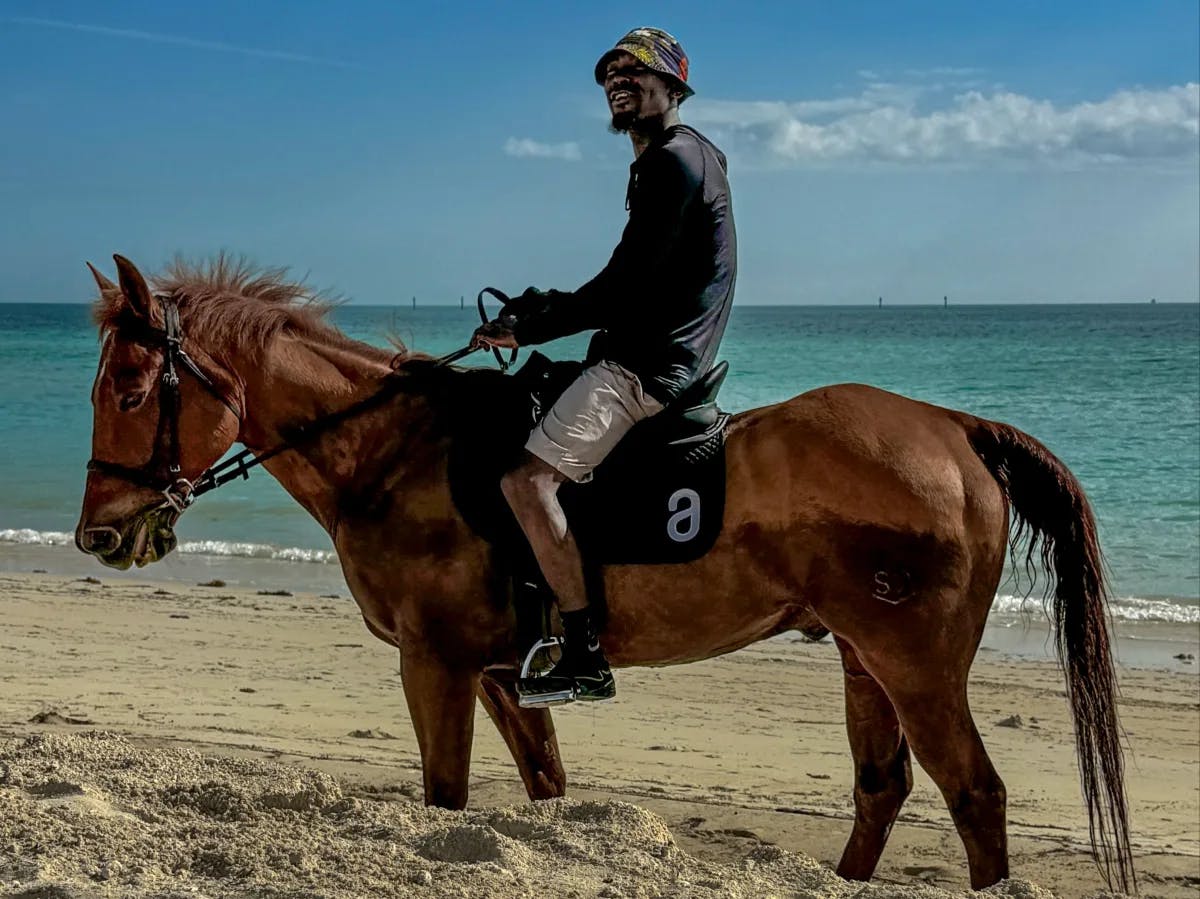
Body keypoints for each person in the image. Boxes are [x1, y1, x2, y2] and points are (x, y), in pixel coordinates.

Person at [473, 27, 737, 704]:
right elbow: (636, 279)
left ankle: (584, 652)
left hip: (647, 366)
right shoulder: (689, 155)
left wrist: (528, 324)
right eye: (610, 75)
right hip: (659, 347)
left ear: (673, 86)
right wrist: (540, 312)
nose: (618, 80)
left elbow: (624, 286)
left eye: (635, 72)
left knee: (526, 483)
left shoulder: (672, 162)